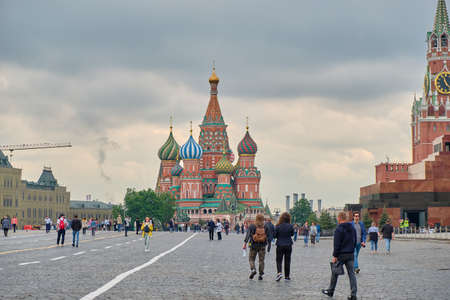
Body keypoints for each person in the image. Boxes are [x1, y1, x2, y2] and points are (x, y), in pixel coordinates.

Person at [322, 212, 357, 300]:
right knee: (352, 274)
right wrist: (352, 249)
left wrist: (335, 256)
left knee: (335, 272)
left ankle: (330, 291)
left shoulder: (339, 229)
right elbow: (355, 240)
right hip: (350, 254)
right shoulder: (352, 228)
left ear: (339, 218)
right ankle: (353, 294)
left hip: (341, 255)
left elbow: (337, 244)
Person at [243, 214, 270, 280]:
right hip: (262, 246)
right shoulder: (266, 226)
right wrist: (268, 245)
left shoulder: (252, 226)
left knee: (251, 259)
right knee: (261, 261)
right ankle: (260, 275)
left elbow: (248, 235)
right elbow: (268, 236)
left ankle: (253, 270)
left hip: (253, 245)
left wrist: (245, 243)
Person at [274, 212, 294, 281]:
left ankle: (279, 273)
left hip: (280, 245)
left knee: (279, 260)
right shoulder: (290, 226)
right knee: (287, 260)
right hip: (288, 245)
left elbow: (275, 235)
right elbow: (292, 234)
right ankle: (287, 276)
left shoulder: (278, 226)